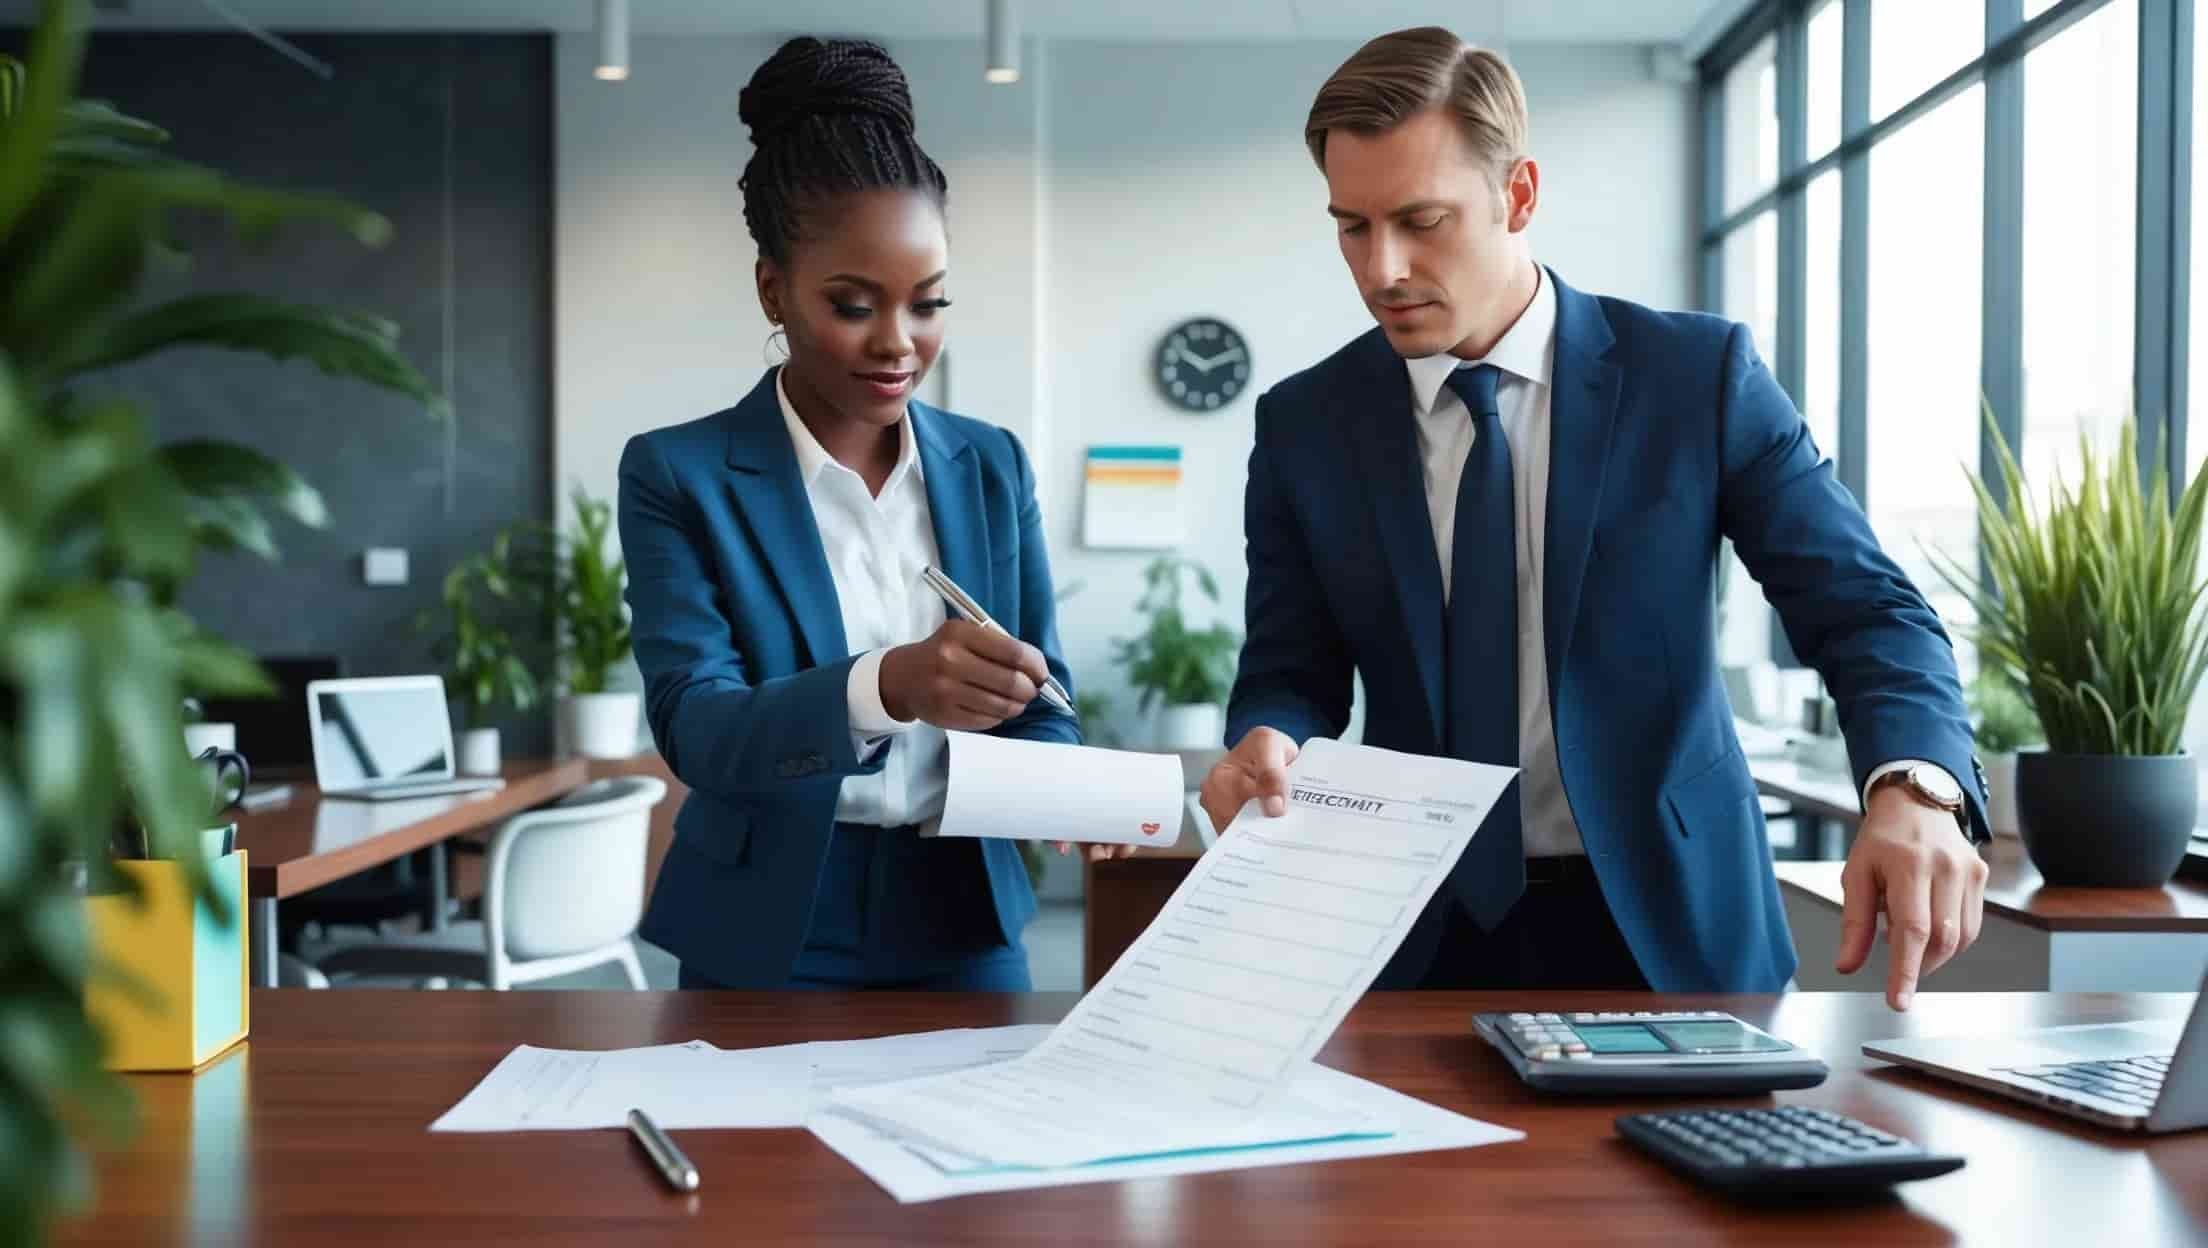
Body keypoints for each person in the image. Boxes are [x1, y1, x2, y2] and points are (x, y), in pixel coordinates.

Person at [1198, 27, 1991, 1008]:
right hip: (1414, 936)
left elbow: (1867, 611)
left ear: (1518, 195)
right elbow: (1290, 669)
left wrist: (1919, 788)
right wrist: (1264, 739)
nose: (1383, 268)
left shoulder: (1696, 380)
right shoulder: (1305, 424)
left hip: (1673, 930)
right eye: (1352, 227)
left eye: (1421, 219)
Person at [619, 37, 1111, 991]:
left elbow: (1044, 689)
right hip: (768, 921)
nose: (899, 343)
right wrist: (887, 686)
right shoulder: (679, 474)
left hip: (965, 914)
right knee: (754, 1149)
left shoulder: (990, 464)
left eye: (927, 305)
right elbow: (698, 729)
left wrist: (1072, 789)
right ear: (774, 289)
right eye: (853, 305)